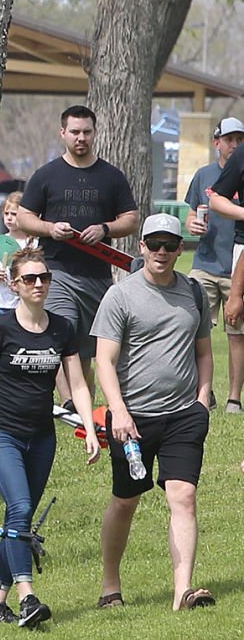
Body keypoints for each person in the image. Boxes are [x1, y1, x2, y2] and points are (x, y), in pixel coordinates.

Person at [93, 214, 215, 612]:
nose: (162, 252)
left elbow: (203, 353)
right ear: (141, 247)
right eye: (154, 244)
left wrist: (202, 399)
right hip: (133, 417)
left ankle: (183, 591)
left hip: (183, 414)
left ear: (181, 248)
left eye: (170, 245)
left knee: (184, 496)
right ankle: (111, 584)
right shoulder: (121, 296)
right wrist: (119, 412)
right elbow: (104, 362)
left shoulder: (193, 293)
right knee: (126, 501)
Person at [0, 246, 96, 627]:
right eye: (30, 279)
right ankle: (28, 597)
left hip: (42, 436)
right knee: (22, 509)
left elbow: (77, 382)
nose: (39, 284)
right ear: (15, 285)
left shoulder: (62, 327)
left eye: (44, 277)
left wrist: (90, 428)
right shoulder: (0, 328)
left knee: (17, 517)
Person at [16, 105, 141, 382]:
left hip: (97, 274)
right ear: (63, 133)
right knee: (64, 331)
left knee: (86, 348)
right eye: (74, 132)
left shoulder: (111, 176)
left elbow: (131, 219)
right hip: (56, 270)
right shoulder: (46, 175)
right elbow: (24, 217)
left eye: (86, 132)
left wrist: (105, 228)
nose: (80, 138)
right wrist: (50, 228)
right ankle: (70, 402)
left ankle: (79, 406)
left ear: (95, 133)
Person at [186, 117, 244, 413]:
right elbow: (191, 214)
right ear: (216, 142)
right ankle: (203, 394)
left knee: (237, 333)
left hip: (235, 264)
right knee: (196, 328)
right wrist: (193, 224)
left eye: (239, 139)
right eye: (229, 139)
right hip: (206, 264)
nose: (234, 145)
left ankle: (234, 398)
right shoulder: (204, 175)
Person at [0, 190, 30, 313]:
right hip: (0, 302)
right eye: (6, 213)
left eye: (14, 214)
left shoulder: (31, 243)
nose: (9, 218)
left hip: (21, 304)